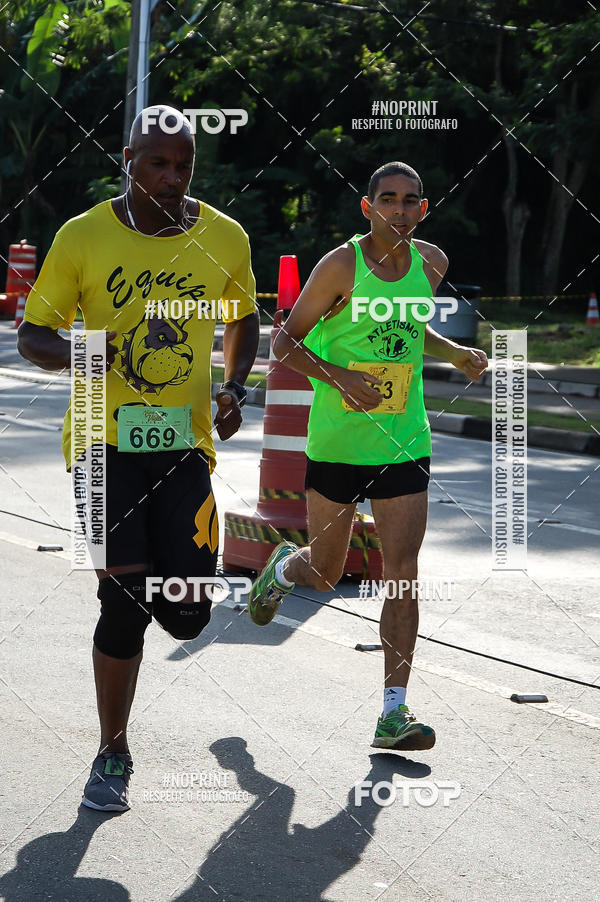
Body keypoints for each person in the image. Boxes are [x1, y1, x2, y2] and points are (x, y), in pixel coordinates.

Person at [18, 105, 259, 810]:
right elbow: (34, 336)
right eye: (159, 163)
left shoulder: (225, 236)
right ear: (129, 159)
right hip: (102, 442)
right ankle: (112, 752)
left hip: (185, 445)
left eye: (184, 165)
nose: (173, 178)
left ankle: (241, 575)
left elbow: (242, 317)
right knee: (122, 602)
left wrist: (235, 387)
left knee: (184, 613)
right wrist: (91, 356)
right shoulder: (82, 236)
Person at [247, 161, 487, 751]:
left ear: (423, 209)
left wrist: (454, 352)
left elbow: (408, 329)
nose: (398, 210)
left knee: (402, 574)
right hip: (338, 444)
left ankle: (393, 713)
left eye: (410, 201)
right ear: (367, 206)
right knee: (326, 572)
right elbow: (284, 341)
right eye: (387, 199)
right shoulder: (341, 266)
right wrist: (340, 377)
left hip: (406, 440)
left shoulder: (431, 264)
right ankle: (281, 569)